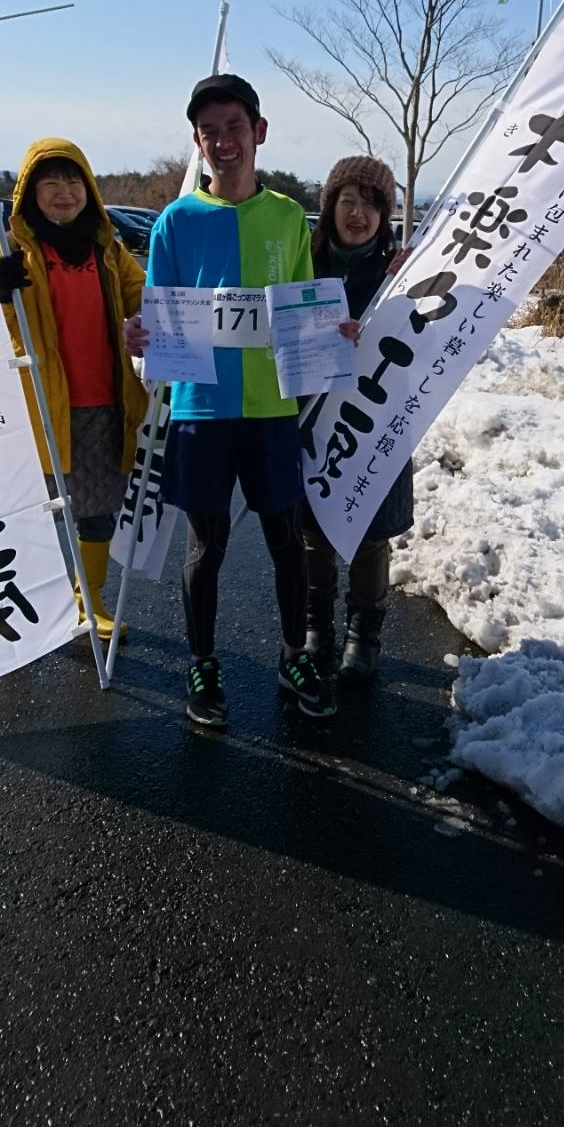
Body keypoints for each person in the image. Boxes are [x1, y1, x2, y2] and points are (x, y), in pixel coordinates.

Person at [125, 75, 357, 728]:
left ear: (258, 130)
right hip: (201, 407)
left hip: (271, 409)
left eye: (233, 127)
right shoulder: (175, 221)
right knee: (208, 547)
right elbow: (156, 314)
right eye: (209, 132)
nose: (222, 141)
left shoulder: (287, 215)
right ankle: (203, 663)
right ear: (196, 143)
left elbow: (304, 305)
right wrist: (139, 337)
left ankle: (293, 655)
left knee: (287, 540)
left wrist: (332, 330)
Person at [0, 138, 147, 641]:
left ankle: (89, 597)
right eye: (50, 182)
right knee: (29, 510)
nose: (64, 192)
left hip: (104, 399)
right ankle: (18, 600)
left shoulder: (109, 248)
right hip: (37, 405)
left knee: (98, 509)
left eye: (73, 180)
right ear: (29, 191)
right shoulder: (10, 248)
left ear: (89, 189)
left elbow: (140, 297)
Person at [302, 157, 414, 684]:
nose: (359, 214)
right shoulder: (302, 262)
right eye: (348, 201)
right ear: (330, 207)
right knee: (313, 528)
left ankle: (363, 635)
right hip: (311, 413)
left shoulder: (403, 271)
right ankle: (315, 625)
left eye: (371, 204)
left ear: (384, 214)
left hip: (374, 416)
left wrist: (409, 290)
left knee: (370, 532)